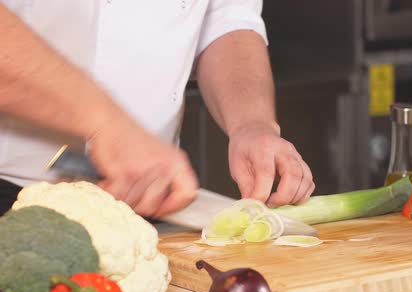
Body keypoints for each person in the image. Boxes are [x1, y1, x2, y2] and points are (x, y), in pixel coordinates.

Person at [0, 1, 314, 217]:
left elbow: (226, 17)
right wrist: (109, 125)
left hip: (142, 206)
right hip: (12, 193)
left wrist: (251, 123)